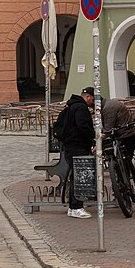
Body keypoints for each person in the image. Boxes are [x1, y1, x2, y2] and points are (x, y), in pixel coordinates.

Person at [52, 85, 96, 217]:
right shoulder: (81, 108)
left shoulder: (71, 106)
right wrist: (92, 137)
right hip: (77, 146)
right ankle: (76, 207)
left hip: (70, 146)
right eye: (93, 100)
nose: (93, 103)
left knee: (75, 176)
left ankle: (73, 206)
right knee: (79, 177)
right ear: (88, 97)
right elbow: (83, 126)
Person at [101, 93, 135, 180]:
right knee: (124, 163)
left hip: (125, 136)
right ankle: (123, 183)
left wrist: (99, 140)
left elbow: (108, 129)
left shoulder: (108, 107)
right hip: (127, 135)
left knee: (124, 163)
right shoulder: (108, 105)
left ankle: (125, 183)